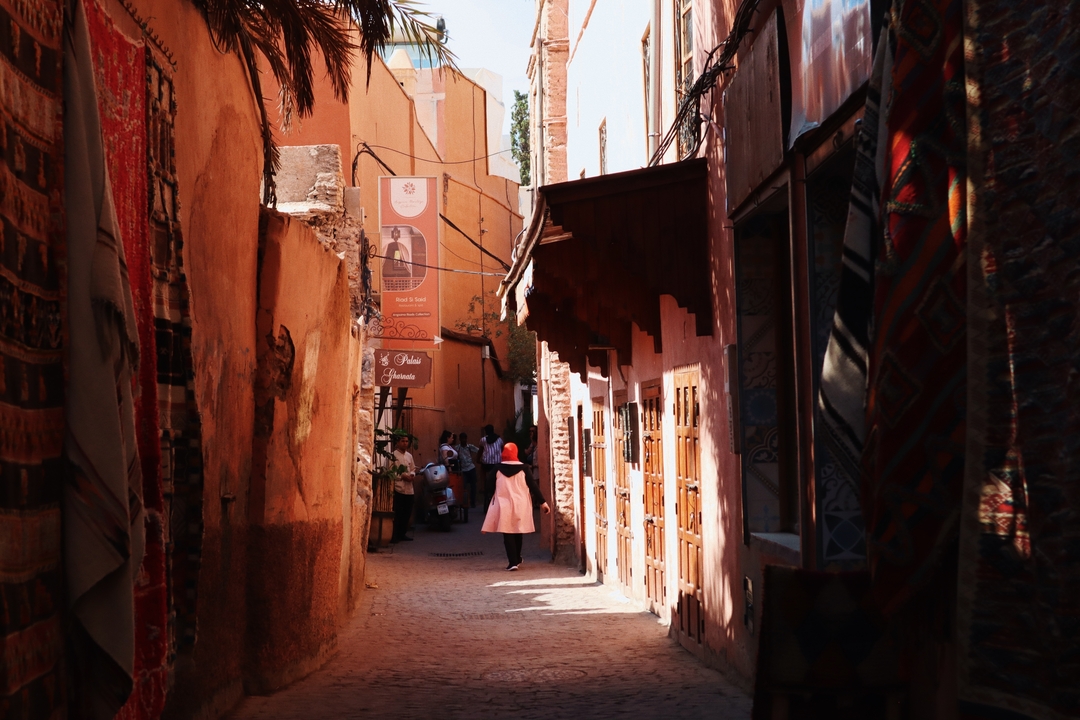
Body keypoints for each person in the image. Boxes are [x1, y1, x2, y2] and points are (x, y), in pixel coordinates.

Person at [481, 443, 550, 570]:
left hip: (504, 504)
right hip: (521, 503)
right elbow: (533, 486)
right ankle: (517, 558)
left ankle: (513, 562)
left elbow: (488, 485)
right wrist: (543, 503)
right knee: (518, 531)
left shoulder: (497, 468)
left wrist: (493, 495)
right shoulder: (524, 468)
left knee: (507, 532)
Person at [390, 434, 417, 542]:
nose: (405, 443)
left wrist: (412, 475)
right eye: (403, 441)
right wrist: (402, 476)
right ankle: (395, 535)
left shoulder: (409, 456)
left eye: (406, 441)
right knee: (398, 513)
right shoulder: (393, 455)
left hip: (409, 489)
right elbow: (391, 471)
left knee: (407, 513)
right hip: (399, 488)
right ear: (397, 442)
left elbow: (413, 468)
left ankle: (402, 534)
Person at [478, 424, 504, 507]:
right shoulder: (499, 440)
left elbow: (480, 450)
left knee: (484, 475)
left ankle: (483, 487)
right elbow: (503, 450)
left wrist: (477, 459)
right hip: (497, 464)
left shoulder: (483, 440)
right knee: (497, 479)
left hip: (487, 464)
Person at [455, 432, 480, 508]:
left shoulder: (470, 447)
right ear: (460, 439)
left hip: (471, 468)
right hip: (463, 470)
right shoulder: (457, 448)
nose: (463, 440)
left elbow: (479, 451)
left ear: (466, 439)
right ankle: (464, 502)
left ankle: (473, 502)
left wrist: (477, 459)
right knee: (463, 486)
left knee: (473, 486)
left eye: (464, 438)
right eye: (462, 438)